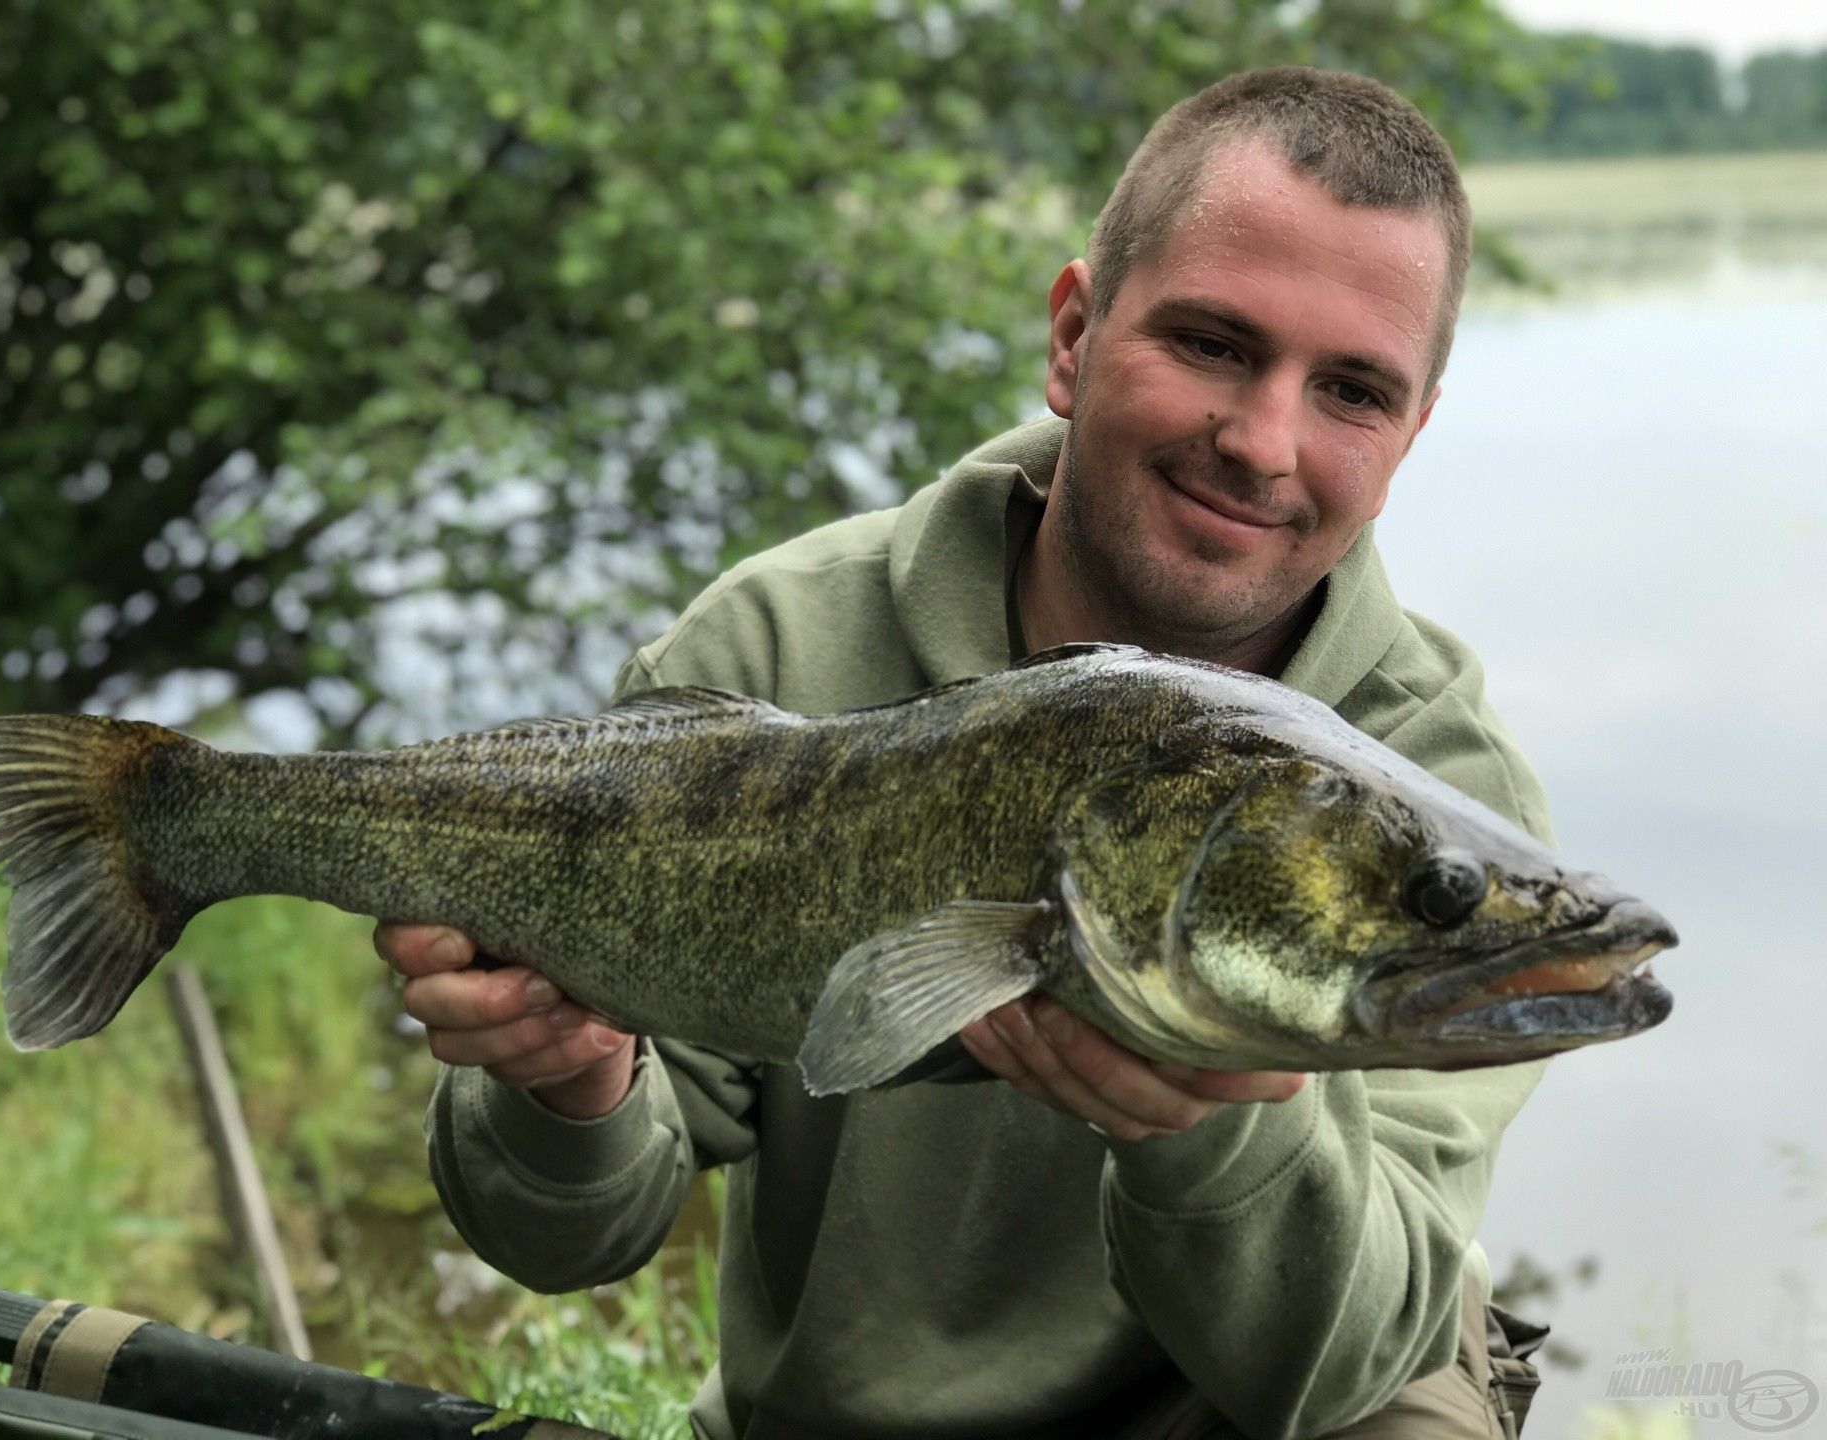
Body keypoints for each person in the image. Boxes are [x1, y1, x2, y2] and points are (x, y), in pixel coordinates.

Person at [378, 67, 1552, 1439]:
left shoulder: (1437, 793)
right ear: (1074, 334)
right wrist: (571, 1079)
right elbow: (569, 1238)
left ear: (1408, 438)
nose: (1262, 441)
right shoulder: (778, 651)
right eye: (1213, 344)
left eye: (1351, 390)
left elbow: (1340, 1366)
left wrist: (1209, 1121)